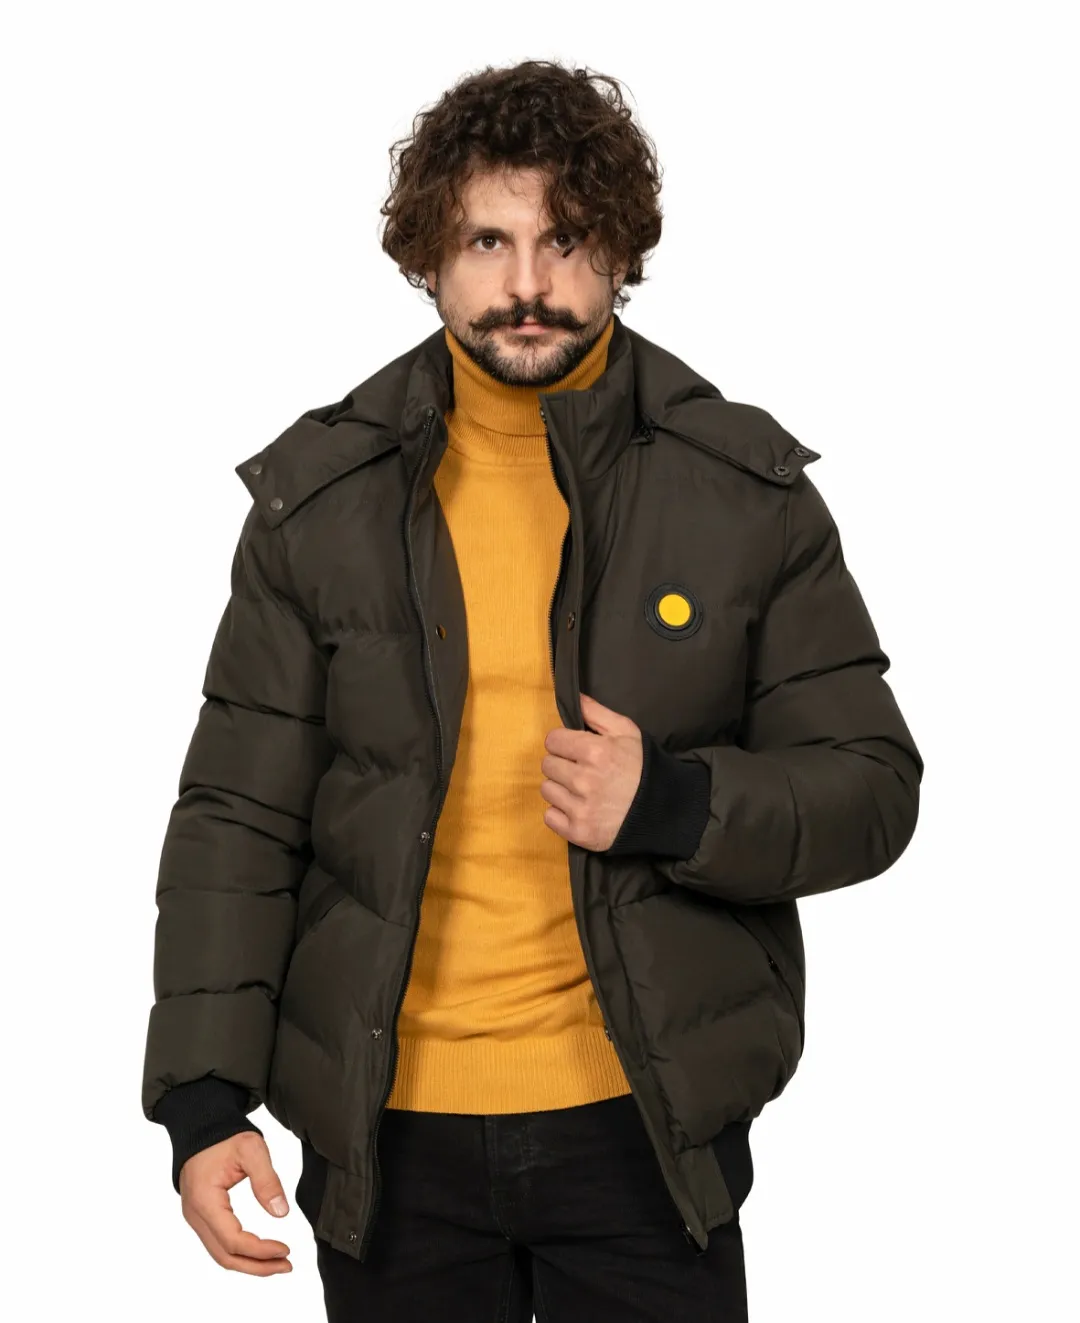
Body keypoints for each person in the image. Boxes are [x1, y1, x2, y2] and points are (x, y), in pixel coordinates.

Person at [141, 58, 923, 1322]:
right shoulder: (319, 503)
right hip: (388, 1138)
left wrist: (673, 804)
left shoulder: (742, 494)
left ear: (620, 251)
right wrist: (202, 1096)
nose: (527, 284)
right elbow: (238, 813)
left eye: (565, 240)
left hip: (641, 1125)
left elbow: (872, 788)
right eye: (487, 241)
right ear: (429, 257)